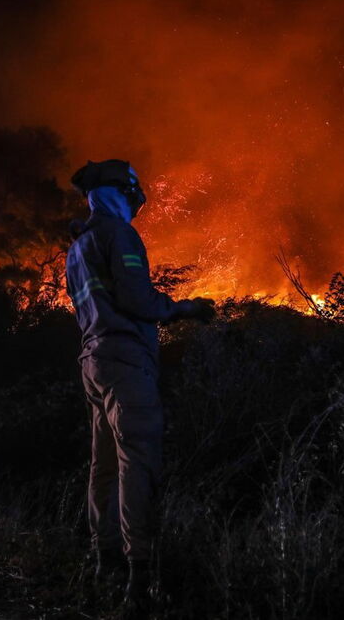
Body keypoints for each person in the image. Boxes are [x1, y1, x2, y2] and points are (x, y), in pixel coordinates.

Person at [66, 159, 215, 613]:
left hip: (93, 361)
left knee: (104, 466)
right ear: (118, 193)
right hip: (127, 361)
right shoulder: (119, 235)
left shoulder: (78, 246)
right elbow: (136, 299)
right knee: (137, 462)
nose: (137, 203)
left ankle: (103, 562)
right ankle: (140, 574)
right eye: (132, 193)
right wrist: (186, 309)